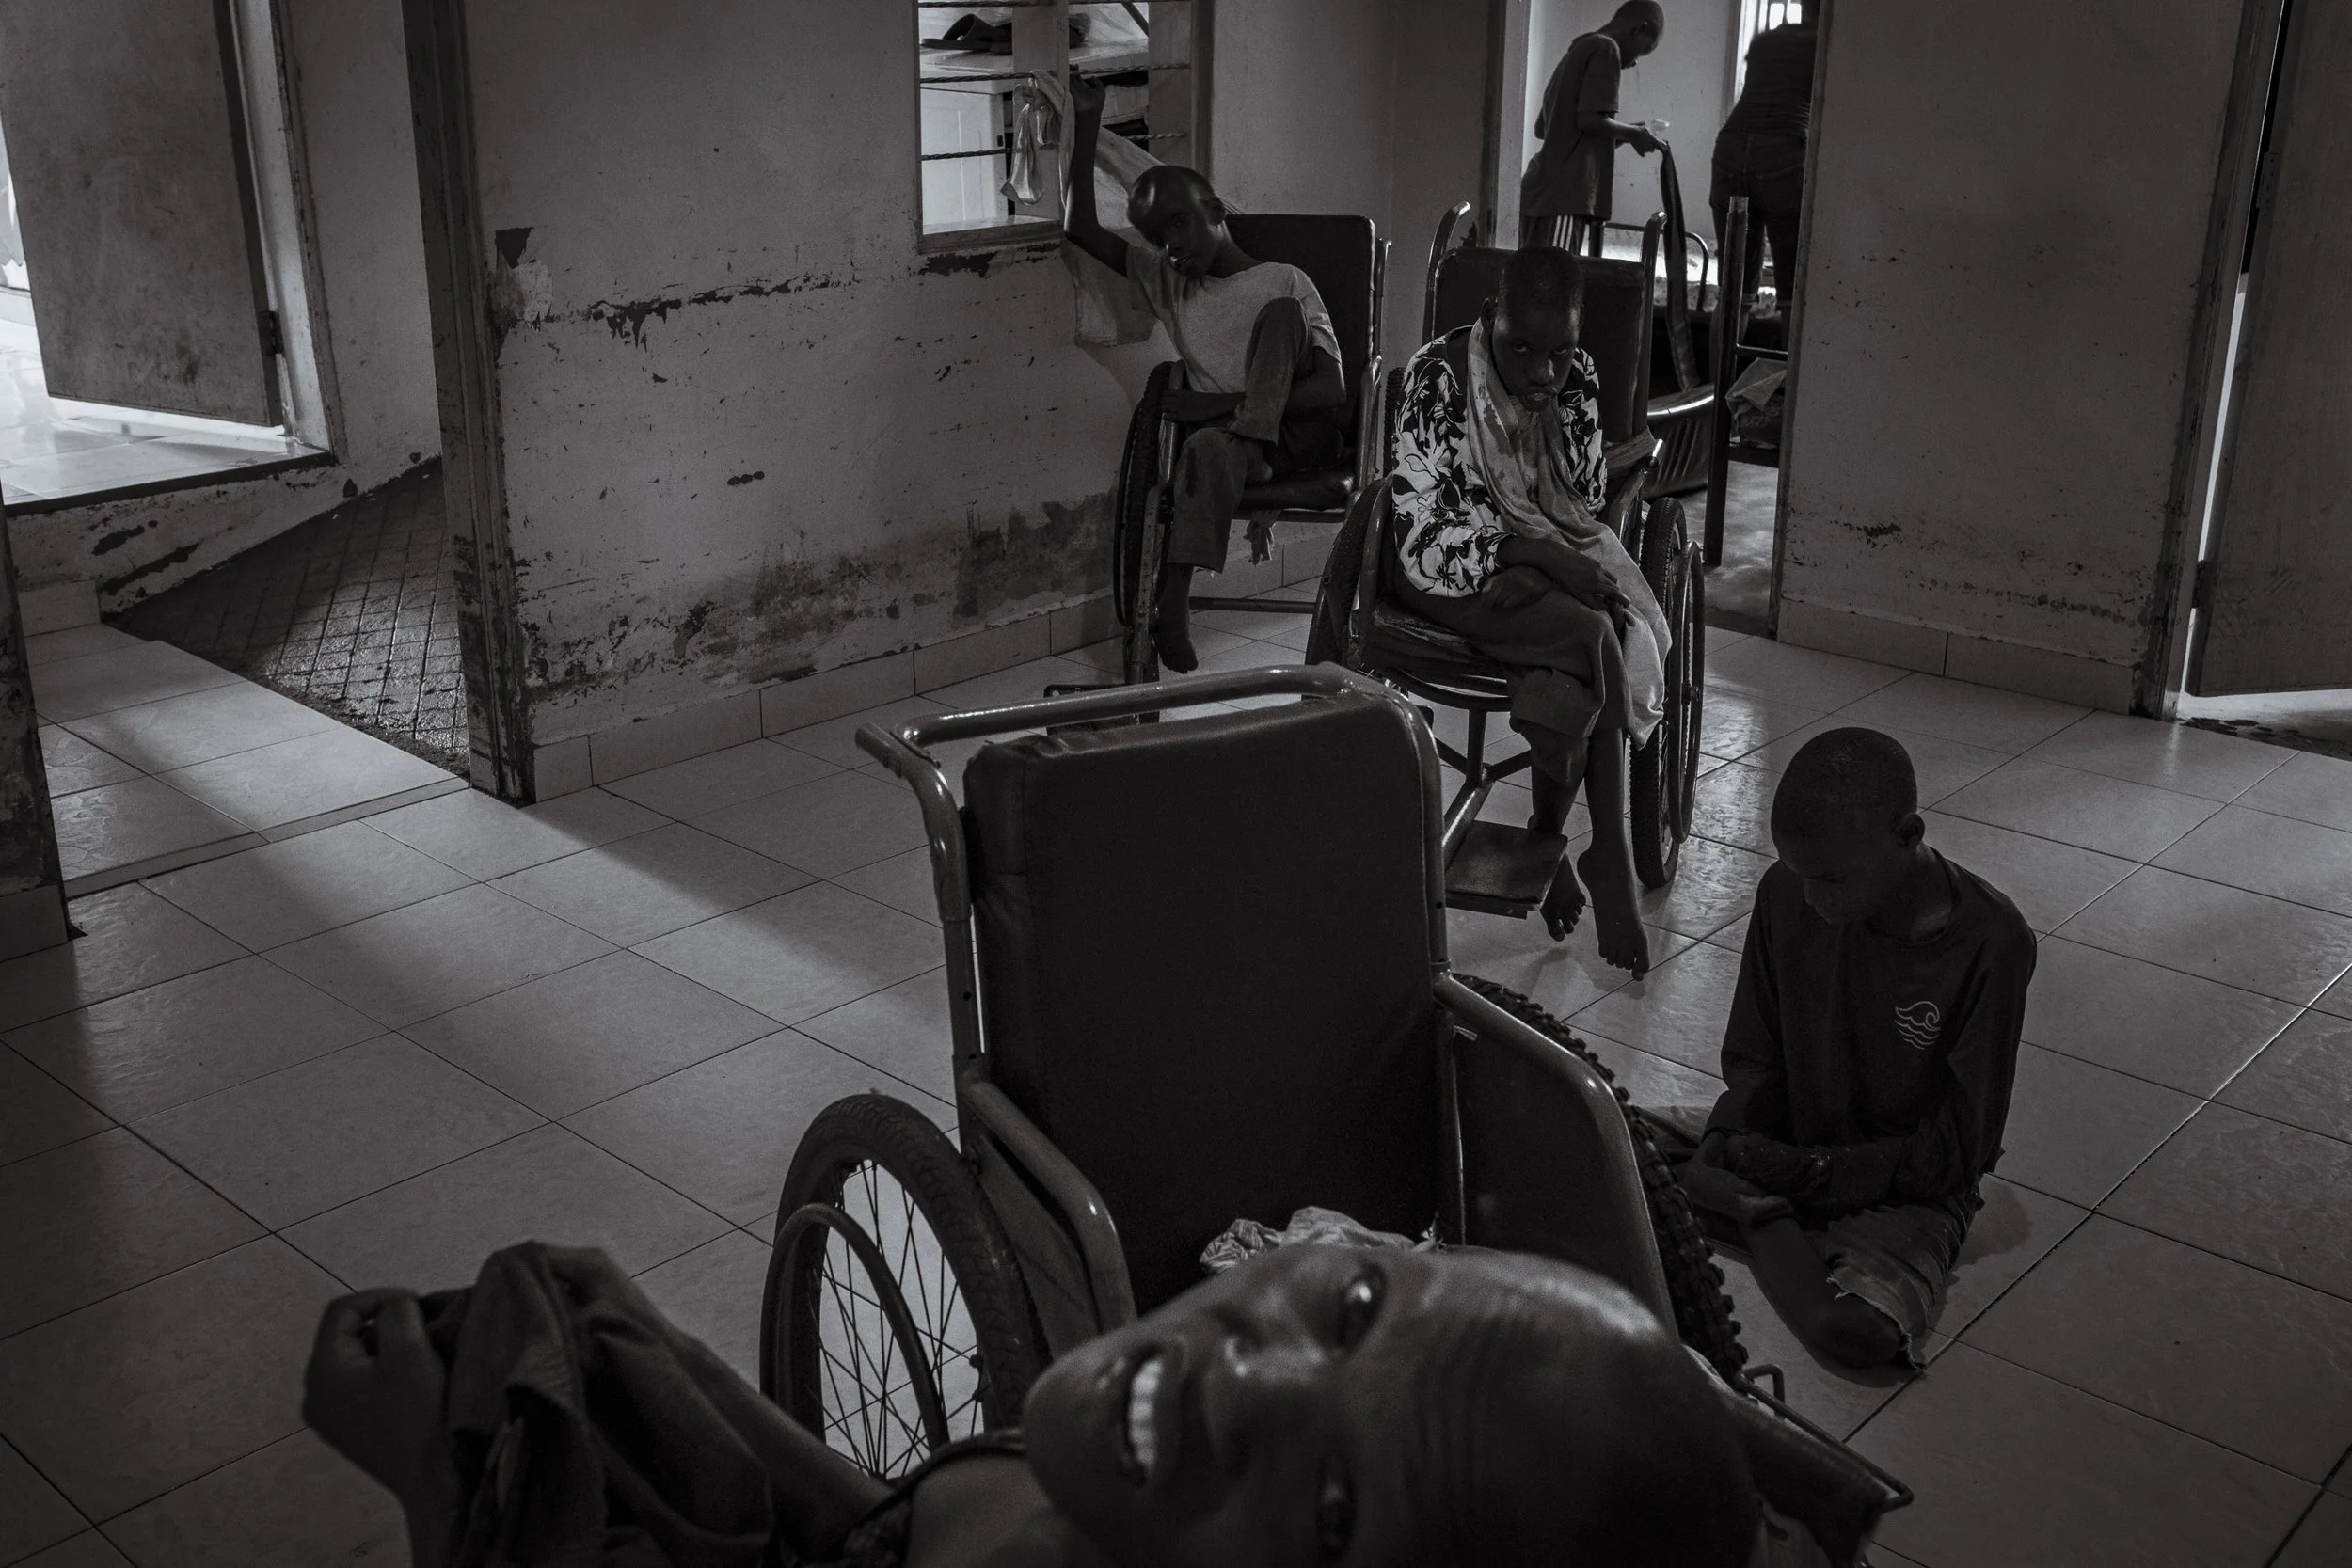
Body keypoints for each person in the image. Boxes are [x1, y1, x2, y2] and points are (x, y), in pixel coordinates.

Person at [303, 1242, 1764, 1567]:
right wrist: (666, 1350)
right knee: (567, 1299)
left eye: (1332, 1512)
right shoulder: (1116, 1498)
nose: (1242, 1376)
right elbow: (894, 1522)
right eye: (1358, 1306)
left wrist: (431, 1488)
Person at [1676, 729, 2035, 1370]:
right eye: (1801, 875)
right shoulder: (1787, 892)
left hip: (1904, 1183)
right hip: (1792, 1133)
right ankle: (1759, 1212)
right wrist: (1729, 1142)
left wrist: (1801, 1175)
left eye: (1832, 880)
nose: (1813, 898)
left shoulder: (1992, 942)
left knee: (1857, 1330)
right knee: (1600, 1136)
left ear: (1908, 834)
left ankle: (1757, 1220)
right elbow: (1755, 1063)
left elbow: (1955, 1153)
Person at [1388, 245, 1672, 975]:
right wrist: (1527, 556)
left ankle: (1556, 843)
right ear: (1491, 317)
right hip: (1446, 564)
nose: (1541, 367)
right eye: (1522, 348)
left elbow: (1580, 489)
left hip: (1529, 561)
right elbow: (1420, 523)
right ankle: (1601, 850)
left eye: (1560, 352)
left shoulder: (1570, 376)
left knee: (1587, 641)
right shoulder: (1437, 376)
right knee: (1590, 631)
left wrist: (1562, 401)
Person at [1063, 74, 1349, 673]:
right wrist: (1086, 122)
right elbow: (1080, 230)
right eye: (1154, 237)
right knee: (1210, 453)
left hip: (1301, 438)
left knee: (1277, 321)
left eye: (1176, 224)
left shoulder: (1285, 280)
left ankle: (1244, 436)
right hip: (1237, 452)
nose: (1168, 246)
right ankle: (1175, 603)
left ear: (1214, 212)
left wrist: (1217, 408)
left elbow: (1332, 390)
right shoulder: (1171, 285)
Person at [1521, 2, 1668, 255]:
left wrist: (1625, 134)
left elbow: (1548, 129)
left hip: (1541, 192)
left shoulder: (1578, 50)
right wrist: (1634, 133)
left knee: (1533, 283)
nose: (1633, 62)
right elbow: (1588, 120)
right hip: (1564, 197)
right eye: (1642, 51)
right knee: (1553, 286)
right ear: (1639, 28)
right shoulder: (1606, 48)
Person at [1710, 11, 1819, 310]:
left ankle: (1721, 359)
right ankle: (1785, 358)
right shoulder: (1827, 42)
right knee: (1791, 295)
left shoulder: (1769, 37)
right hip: (1782, 150)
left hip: (1730, 147)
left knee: (1735, 291)